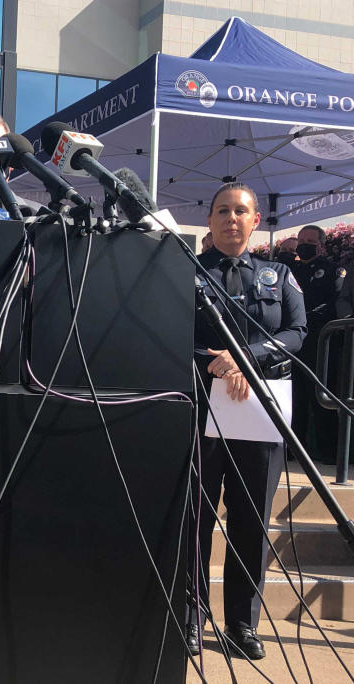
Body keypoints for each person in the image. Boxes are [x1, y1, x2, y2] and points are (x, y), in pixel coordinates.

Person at [186, 182, 306, 661]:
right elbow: (165, 325)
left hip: (258, 414)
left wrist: (244, 360)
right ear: (210, 221)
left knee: (250, 522)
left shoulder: (279, 275)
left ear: (256, 221)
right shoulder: (188, 273)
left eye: (241, 211)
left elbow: (297, 332)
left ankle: (241, 623)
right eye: (222, 211)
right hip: (202, 407)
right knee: (195, 519)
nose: (231, 218)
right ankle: (191, 617)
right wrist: (214, 362)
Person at [289, 225, 345, 463]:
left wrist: (306, 318)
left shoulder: (333, 271)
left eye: (310, 240)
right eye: (301, 240)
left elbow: (335, 303)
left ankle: (327, 453)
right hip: (293, 346)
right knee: (295, 400)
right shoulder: (289, 271)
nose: (304, 244)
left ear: (321, 245)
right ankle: (293, 451)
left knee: (321, 398)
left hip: (321, 344)